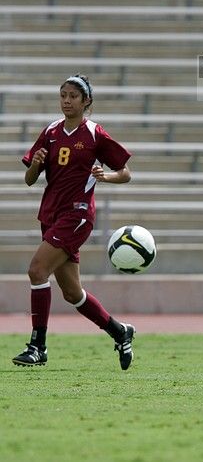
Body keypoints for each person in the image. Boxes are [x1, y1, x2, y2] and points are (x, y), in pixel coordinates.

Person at [13, 74, 136, 370]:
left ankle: (37, 347)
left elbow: (126, 172)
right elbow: (29, 180)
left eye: (73, 96)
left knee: (37, 270)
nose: (66, 100)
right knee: (72, 293)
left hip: (78, 215)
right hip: (51, 215)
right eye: (63, 95)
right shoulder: (51, 131)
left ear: (86, 102)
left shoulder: (94, 133)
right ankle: (120, 332)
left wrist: (107, 176)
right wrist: (38, 164)